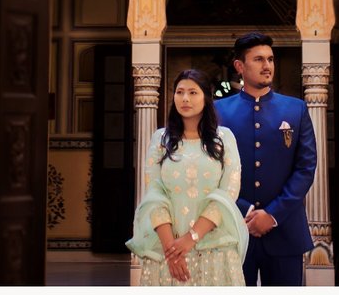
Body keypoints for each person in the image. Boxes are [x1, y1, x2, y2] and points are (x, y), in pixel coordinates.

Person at [213, 32, 317, 286]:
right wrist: (245, 210)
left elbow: (305, 168)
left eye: (270, 59)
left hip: (285, 230)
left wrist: (271, 215)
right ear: (240, 66)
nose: (267, 65)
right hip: (234, 230)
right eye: (258, 59)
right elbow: (211, 170)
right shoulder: (218, 111)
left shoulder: (296, 109)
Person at [127, 68, 249, 285]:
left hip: (215, 248)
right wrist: (171, 250)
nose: (185, 98)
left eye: (193, 93)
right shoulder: (160, 139)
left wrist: (191, 238)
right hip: (168, 250)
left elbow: (228, 193)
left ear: (206, 98)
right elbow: (154, 195)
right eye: (180, 92)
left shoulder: (224, 139)